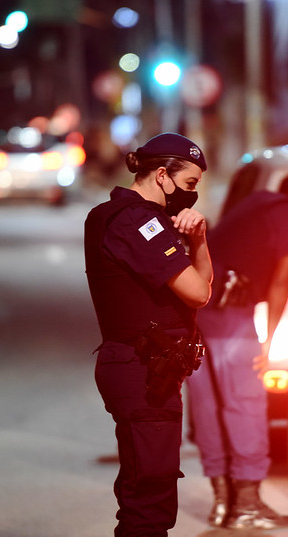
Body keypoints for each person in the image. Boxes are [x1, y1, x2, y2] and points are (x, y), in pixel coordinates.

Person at [186, 179, 288, 530]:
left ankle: (223, 502)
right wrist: (270, 342)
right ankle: (248, 505)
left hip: (194, 315)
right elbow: (282, 280)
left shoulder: (258, 203)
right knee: (245, 404)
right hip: (231, 317)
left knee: (209, 407)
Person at [84, 132, 213, 537]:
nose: (191, 195)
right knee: (149, 502)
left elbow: (200, 290)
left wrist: (199, 241)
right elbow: (197, 292)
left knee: (147, 493)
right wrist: (195, 241)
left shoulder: (122, 217)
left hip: (143, 370)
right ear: (162, 175)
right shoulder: (138, 222)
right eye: (189, 184)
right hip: (141, 372)